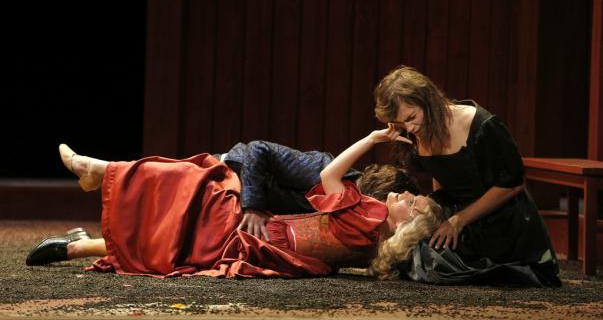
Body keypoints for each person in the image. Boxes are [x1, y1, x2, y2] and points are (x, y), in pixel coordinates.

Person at [26, 126, 442, 280]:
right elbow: (258, 151)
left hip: (264, 235)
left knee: (189, 238)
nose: (404, 196)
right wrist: (253, 205)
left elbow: (331, 184)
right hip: (241, 179)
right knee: (189, 188)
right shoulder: (370, 235)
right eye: (406, 193)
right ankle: (100, 175)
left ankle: (84, 231)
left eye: (411, 202)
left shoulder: (365, 214)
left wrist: (372, 138)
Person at [373, 65, 561, 286]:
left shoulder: (481, 125)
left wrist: (459, 220)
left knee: (446, 266)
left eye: (411, 117)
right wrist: (440, 214)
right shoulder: (412, 131)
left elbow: (512, 185)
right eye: (400, 123)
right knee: (416, 257)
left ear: (428, 100)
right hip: (460, 218)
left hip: (502, 220)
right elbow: (440, 171)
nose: (410, 128)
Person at [216, 141, 418, 240]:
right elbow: (258, 149)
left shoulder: (354, 215)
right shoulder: (323, 170)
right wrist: (253, 206)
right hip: (223, 176)